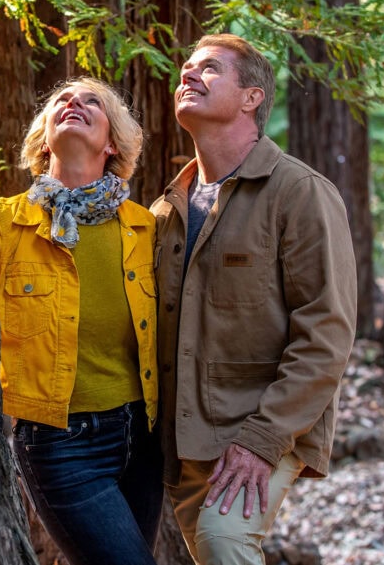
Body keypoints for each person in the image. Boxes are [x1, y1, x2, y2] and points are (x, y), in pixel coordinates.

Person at [151, 34, 356, 564]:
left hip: (261, 423)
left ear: (251, 97)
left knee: (224, 540)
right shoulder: (165, 210)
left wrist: (262, 439)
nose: (187, 75)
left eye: (209, 68)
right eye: (186, 67)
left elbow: (327, 333)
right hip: (182, 434)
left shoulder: (300, 192)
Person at [0, 78, 162, 565]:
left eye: (93, 102)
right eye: (62, 101)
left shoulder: (145, 226)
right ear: (45, 139)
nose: (74, 103)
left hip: (144, 436)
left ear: (112, 144)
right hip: (59, 441)